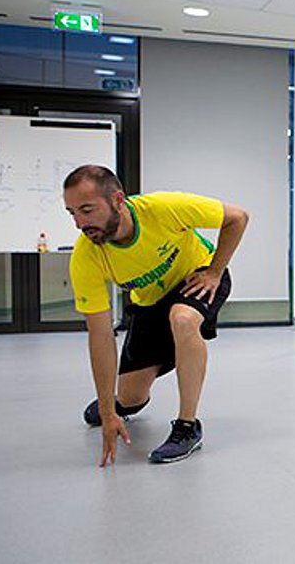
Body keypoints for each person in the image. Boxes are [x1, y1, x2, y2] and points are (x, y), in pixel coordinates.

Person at [63, 165, 249, 465]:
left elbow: (238, 217)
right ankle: (124, 404)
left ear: (118, 200)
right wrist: (109, 412)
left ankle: (187, 427)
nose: (79, 223)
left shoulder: (163, 208)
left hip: (198, 278)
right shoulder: (86, 257)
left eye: (87, 210)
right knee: (131, 397)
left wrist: (215, 271)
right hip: (149, 303)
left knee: (183, 319)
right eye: (72, 213)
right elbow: (100, 335)